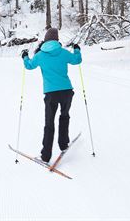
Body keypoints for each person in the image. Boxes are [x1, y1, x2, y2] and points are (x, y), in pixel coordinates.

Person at [21, 27, 81, 163]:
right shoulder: (63, 52)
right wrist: (77, 49)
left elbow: (29, 66)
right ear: (57, 39)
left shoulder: (40, 55)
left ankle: (46, 156)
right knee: (64, 116)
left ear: (46, 39)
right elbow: (77, 60)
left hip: (51, 93)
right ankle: (63, 143)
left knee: (49, 123)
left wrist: (25, 57)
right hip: (66, 91)